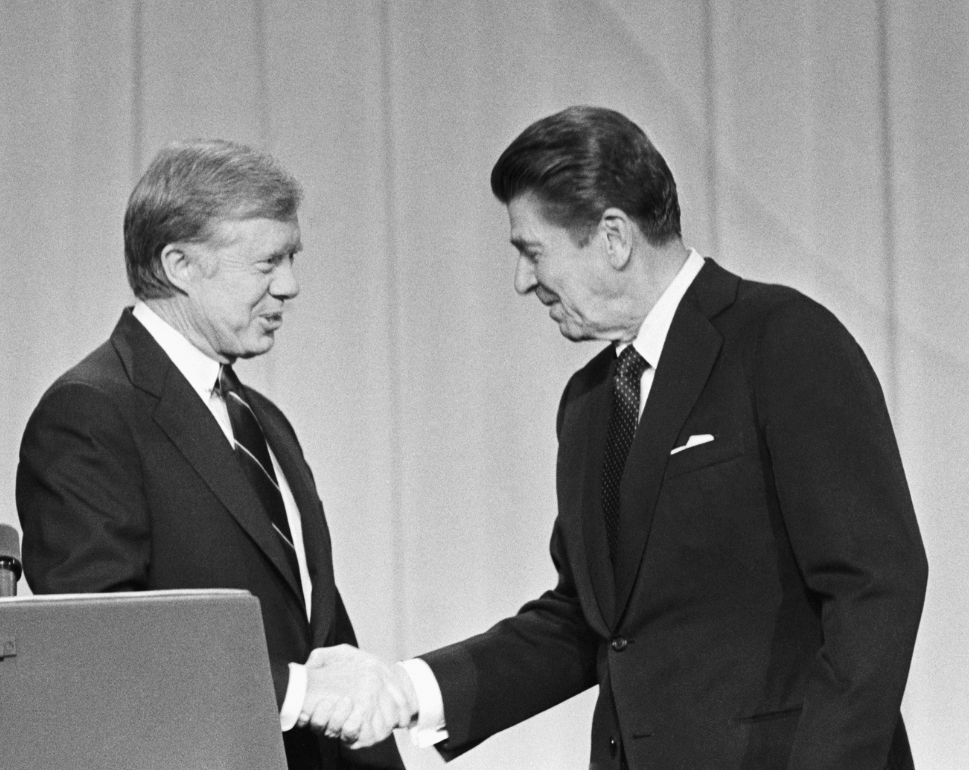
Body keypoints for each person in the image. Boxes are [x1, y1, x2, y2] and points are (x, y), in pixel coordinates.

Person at [299, 107, 928, 770]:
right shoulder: (590, 403)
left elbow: (875, 583)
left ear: (612, 237)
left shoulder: (782, 341)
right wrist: (406, 689)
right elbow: (585, 623)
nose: (522, 281)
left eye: (531, 250)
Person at [16, 139, 406, 770]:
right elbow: (101, 645)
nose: (291, 286)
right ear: (179, 264)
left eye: (292, 258)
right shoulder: (90, 414)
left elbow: (314, 628)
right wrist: (301, 693)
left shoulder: (262, 417)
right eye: (268, 262)